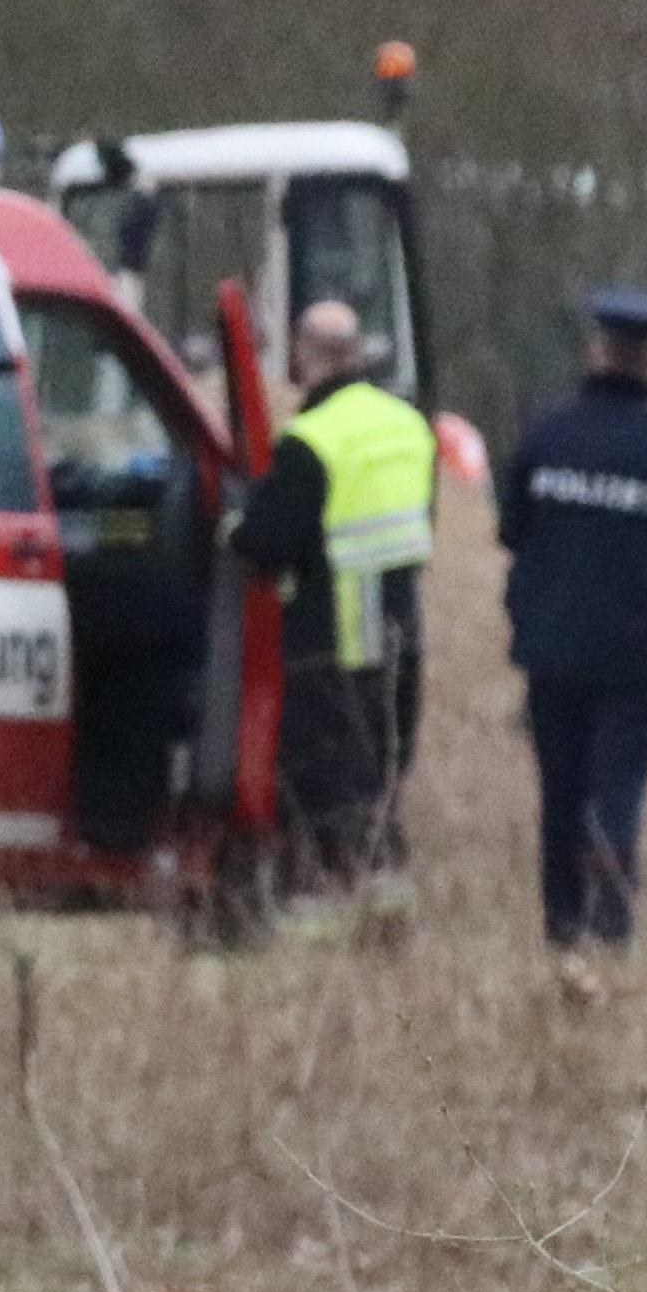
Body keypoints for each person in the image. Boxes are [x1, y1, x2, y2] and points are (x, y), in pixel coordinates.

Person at [497, 284, 647, 968]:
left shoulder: (547, 435)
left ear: (596, 350)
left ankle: (561, 925)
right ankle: (611, 926)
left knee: (559, 790)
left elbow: (512, 530)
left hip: (552, 648)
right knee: (616, 789)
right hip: (638, 655)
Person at [229, 296, 436, 904]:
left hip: (333, 640)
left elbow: (265, 543)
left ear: (303, 354)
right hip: (401, 638)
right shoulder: (409, 425)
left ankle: (318, 910)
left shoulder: (311, 439)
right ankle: (386, 909)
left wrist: (234, 532)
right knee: (382, 783)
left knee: (326, 791)